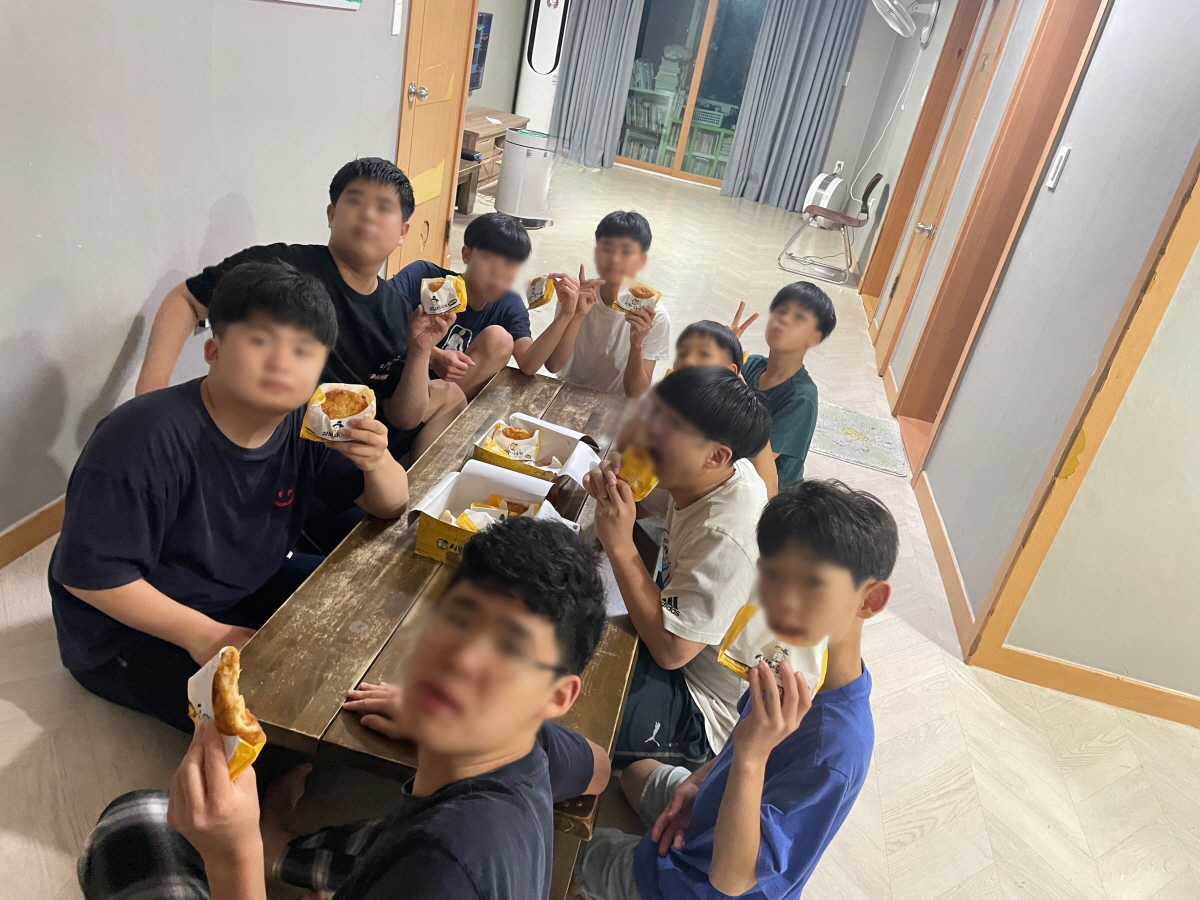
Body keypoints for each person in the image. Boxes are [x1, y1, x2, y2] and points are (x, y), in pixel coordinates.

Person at [76, 518, 612, 900]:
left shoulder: (443, 868)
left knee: (133, 824)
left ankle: (264, 849)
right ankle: (279, 849)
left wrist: (233, 856)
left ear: (557, 697)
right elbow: (600, 767)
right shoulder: (535, 743)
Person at [51, 262, 410, 734]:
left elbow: (391, 505)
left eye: (303, 351)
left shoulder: (308, 423)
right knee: (270, 728)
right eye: (261, 341)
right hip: (129, 629)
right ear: (214, 351)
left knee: (371, 605)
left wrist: (377, 460)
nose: (282, 363)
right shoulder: (139, 437)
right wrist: (207, 635)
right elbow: (87, 575)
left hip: (242, 586)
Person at [573, 479, 899, 900]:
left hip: (707, 882)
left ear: (869, 601)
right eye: (771, 577)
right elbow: (734, 751)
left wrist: (750, 755)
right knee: (635, 775)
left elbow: (732, 880)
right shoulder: (788, 665)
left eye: (811, 585)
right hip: (722, 799)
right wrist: (700, 782)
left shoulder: (835, 749)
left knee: (568, 850)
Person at [135, 157, 465, 461]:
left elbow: (402, 417)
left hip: (345, 457)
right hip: (270, 450)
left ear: (402, 233)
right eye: (355, 201)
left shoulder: (396, 308)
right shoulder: (280, 268)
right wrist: (149, 399)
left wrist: (421, 350)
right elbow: (186, 299)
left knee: (450, 401)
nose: (367, 214)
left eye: (383, 207)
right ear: (331, 214)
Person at [584, 367, 772, 769]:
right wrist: (613, 481)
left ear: (716, 456)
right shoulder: (705, 475)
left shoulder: (726, 534)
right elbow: (640, 501)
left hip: (699, 708)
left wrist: (620, 547)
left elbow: (672, 651)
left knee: (566, 700)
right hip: (672, 636)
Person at [388, 211, 587, 400]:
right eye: (489, 258)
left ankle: (435, 417)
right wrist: (433, 355)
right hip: (395, 389)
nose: (499, 272)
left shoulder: (509, 304)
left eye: (510, 264)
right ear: (466, 255)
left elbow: (529, 363)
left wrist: (567, 313)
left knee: (499, 339)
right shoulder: (426, 278)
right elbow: (378, 314)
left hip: (442, 401)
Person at [546, 211, 671, 397]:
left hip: (616, 403)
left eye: (626, 251)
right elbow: (553, 365)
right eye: (607, 249)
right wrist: (575, 314)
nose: (615, 259)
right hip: (567, 392)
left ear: (641, 260)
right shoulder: (575, 296)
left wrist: (636, 344)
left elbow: (636, 395)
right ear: (596, 253)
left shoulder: (654, 316)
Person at [738, 282, 836, 487]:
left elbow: (757, 462)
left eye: (799, 317)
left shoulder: (802, 397)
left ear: (814, 338)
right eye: (781, 311)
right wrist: (720, 352)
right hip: (733, 471)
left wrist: (736, 378)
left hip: (768, 493)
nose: (783, 319)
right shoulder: (752, 364)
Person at [668, 321, 778, 496]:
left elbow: (769, 491)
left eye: (703, 354)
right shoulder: (674, 399)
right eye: (683, 351)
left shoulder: (726, 420)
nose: (687, 361)